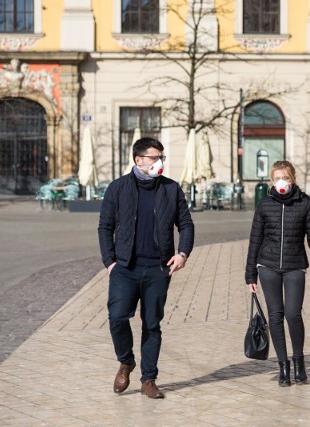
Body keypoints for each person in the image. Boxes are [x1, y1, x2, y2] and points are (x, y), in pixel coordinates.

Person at [98, 137, 194, 399]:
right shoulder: (118, 188)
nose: (159, 162)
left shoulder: (171, 189)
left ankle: (149, 379)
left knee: (152, 324)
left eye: (161, 157)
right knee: (117, 317)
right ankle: (126, 361)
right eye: (154, 158)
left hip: (157, 269)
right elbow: (105, 227)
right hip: (125, 268)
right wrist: (110, 262)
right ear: (138, 160)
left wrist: (182, 253)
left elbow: (185, 224)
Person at [245, 160, 310, 386]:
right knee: (275, 316)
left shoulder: (305, 204)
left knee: (293, 314)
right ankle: (283, 366)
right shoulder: (265, 204)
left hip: (295, 267)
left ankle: (299, 362)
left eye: (285, 177)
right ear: (271, 181)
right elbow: (255, 239)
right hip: (268, 267)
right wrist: (250, 275)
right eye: (277, 178)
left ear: (293, 179)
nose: (281, 182)